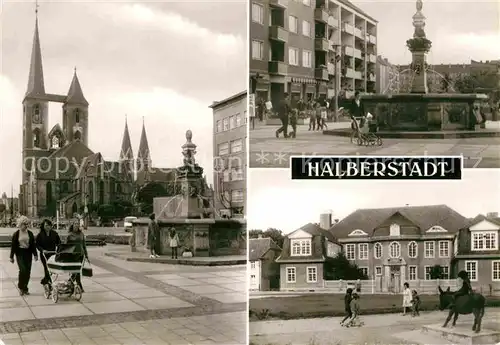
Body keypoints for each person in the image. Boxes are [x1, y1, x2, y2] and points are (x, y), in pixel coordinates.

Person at [10, 216, 38, 295]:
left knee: (28, 271)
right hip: (20, 253)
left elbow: (33, 245)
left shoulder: (30, 233)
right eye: (24, 224)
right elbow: (13, 246)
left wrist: (35, 255)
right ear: (20, 224)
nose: (26, 226)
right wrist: (11, 257)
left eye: (27, 224)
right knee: (23, 270)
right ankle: (21, 287)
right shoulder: (16, 234)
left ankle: (25, 287)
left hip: (28, 253)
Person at [35, 219, 61, 288]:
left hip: (52, 254)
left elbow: (59, 243)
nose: (48, 227)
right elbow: (37, 245)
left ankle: (45, 280)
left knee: (51, 269)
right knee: (47, 268)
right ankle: (49, 284)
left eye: (49, 225)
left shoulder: (54, 234)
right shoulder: (40, 235)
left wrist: (58, 249)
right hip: (44, 254)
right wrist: (42, 250)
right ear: (43, 226)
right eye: (46, 225)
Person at [66, 222, 89, 292]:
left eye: (77, 224)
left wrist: (86, 255)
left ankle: (71, 283)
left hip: (81, 254)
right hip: (73, 255)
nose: (76, 225)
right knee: (75, 270)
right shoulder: (69, 235)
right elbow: (66, 246)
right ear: (72, 225)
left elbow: (84, 245)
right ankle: (78, 285)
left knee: (78, 270)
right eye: (75, 224)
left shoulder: (81, 234)